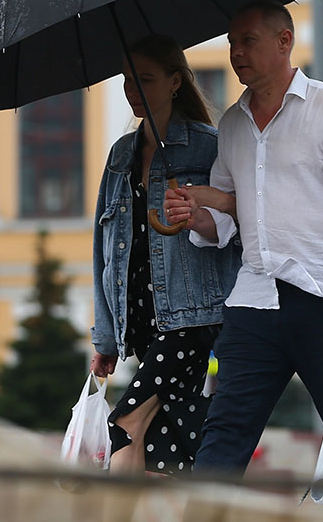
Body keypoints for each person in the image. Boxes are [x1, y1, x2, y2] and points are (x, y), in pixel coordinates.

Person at [164, 1, 323, 474]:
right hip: (255, 300)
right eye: (231, 43)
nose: (236, 53)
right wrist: (195, 215)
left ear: (284, 41)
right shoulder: (231, 124)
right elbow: (228, 219)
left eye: (247, 41)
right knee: (223, 431)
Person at [90, 33, 242, 476]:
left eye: (146, 80)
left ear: (176, 81)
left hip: (193, 318)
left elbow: (240, 228)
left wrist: (199, 212)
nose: (133, 91)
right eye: (127, 81)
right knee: (164, 451)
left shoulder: (208, 146)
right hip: (142, 320)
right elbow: (103, 250)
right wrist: (106, 335)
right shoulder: (121, 155)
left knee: (125, 424)